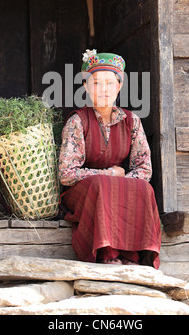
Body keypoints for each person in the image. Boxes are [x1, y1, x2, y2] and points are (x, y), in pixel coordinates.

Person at [58, 50, 161, 267]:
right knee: (102, 185)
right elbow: (66, 174)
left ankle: (133, 254)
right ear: (86, 86)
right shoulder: (78, 121)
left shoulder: (132, 121)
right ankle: (107, 252)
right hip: (83, 191)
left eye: (110, 83)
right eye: (96, 83)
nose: (103, 89)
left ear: (119, 86)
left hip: (113, 188)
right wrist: (108, 174)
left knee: (144, 189)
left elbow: (144, 168)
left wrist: (118, 180)